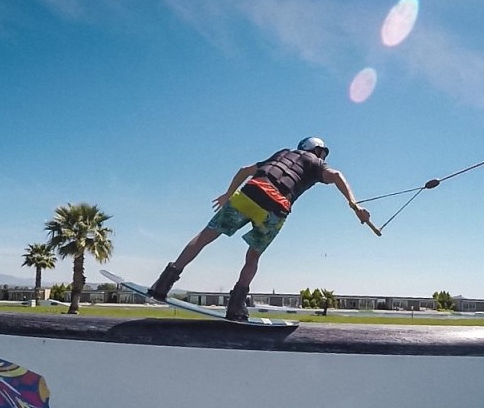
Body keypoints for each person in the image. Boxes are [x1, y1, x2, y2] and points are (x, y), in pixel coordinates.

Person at [148, 137, 371, 322]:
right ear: (317, 150)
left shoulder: (282, 153)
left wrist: (228, 194)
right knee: (253, 257)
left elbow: (244, 170)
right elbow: (337, 176)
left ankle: (163, 283)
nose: (323, 158)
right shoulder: (317, 165)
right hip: (276, 208)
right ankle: (236, 306)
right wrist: (355, 206)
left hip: (251, 193)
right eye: (322, 153)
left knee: (206, 235)